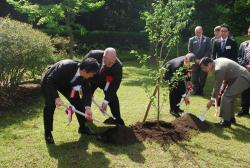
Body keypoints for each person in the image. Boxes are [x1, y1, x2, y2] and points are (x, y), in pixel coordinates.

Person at [41, 58, 100, 144]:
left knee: (78, 103)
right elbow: (50, 80)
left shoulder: (86, 75)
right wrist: (56, 97)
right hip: (49, 81)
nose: (92, 76)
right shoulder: (66, 66)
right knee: (50, 105)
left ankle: (83, 127)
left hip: (67, 85)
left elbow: (87, 90)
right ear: (85, 70)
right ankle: (48, 133)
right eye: (92, 74)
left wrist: (87, 108)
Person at [199, 57, 250, 127]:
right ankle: (230, 118)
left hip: (243, 78)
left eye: (204, 68)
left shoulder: (218, 68)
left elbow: (217, 86)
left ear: (210, 64)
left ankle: (226, 122)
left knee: (226, 97)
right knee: (228, 97)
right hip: (238, 77)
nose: (203, 70)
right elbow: (227, 73)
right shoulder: (216, 62)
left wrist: (212, 100)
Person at [84, 47, 125, 125]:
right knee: (86, 96)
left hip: (106, 82)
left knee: (112, 97)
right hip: (92, 79)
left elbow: (114, 86)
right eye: (109, 62)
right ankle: (86, 118)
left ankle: (117, 119)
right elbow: (82, 70)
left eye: (112, 62)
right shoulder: (92, 55)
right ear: (103, 57)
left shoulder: (118, 66)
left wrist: (105, 101)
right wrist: (83, 87)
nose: (110, 65)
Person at [164, 53, 196, 117]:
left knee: (179, 92)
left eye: (191, 64)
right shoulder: (178, 66)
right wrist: (185, 97)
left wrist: (189, 81)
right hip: (169, 72)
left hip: (177, 72)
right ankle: (172, 110)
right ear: (185, 60)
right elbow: (180, 84)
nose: (190, 66)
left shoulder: (190, 62)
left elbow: (188, 71)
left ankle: (177, 108)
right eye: (189, 64)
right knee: (174, 89)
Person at [188, 26, 211, 95]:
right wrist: (196, 59)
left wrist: (203, 60)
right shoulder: (191, 40)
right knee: (194, 78)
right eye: (196, 32)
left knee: (203, 77)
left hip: (204, 62)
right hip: (194, 62)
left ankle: (200, 90)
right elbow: (190, 51)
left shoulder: (207, 39)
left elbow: (209, 50)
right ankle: (196, 89)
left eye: (198, 32)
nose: (197, 33)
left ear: (202, 31)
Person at [237, 26, 250, 116]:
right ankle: (244, 110)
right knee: (245, 91)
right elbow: (239, 57)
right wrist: (245, 65)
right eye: (249, 32)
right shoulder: (243, 44)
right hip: (245, 71)